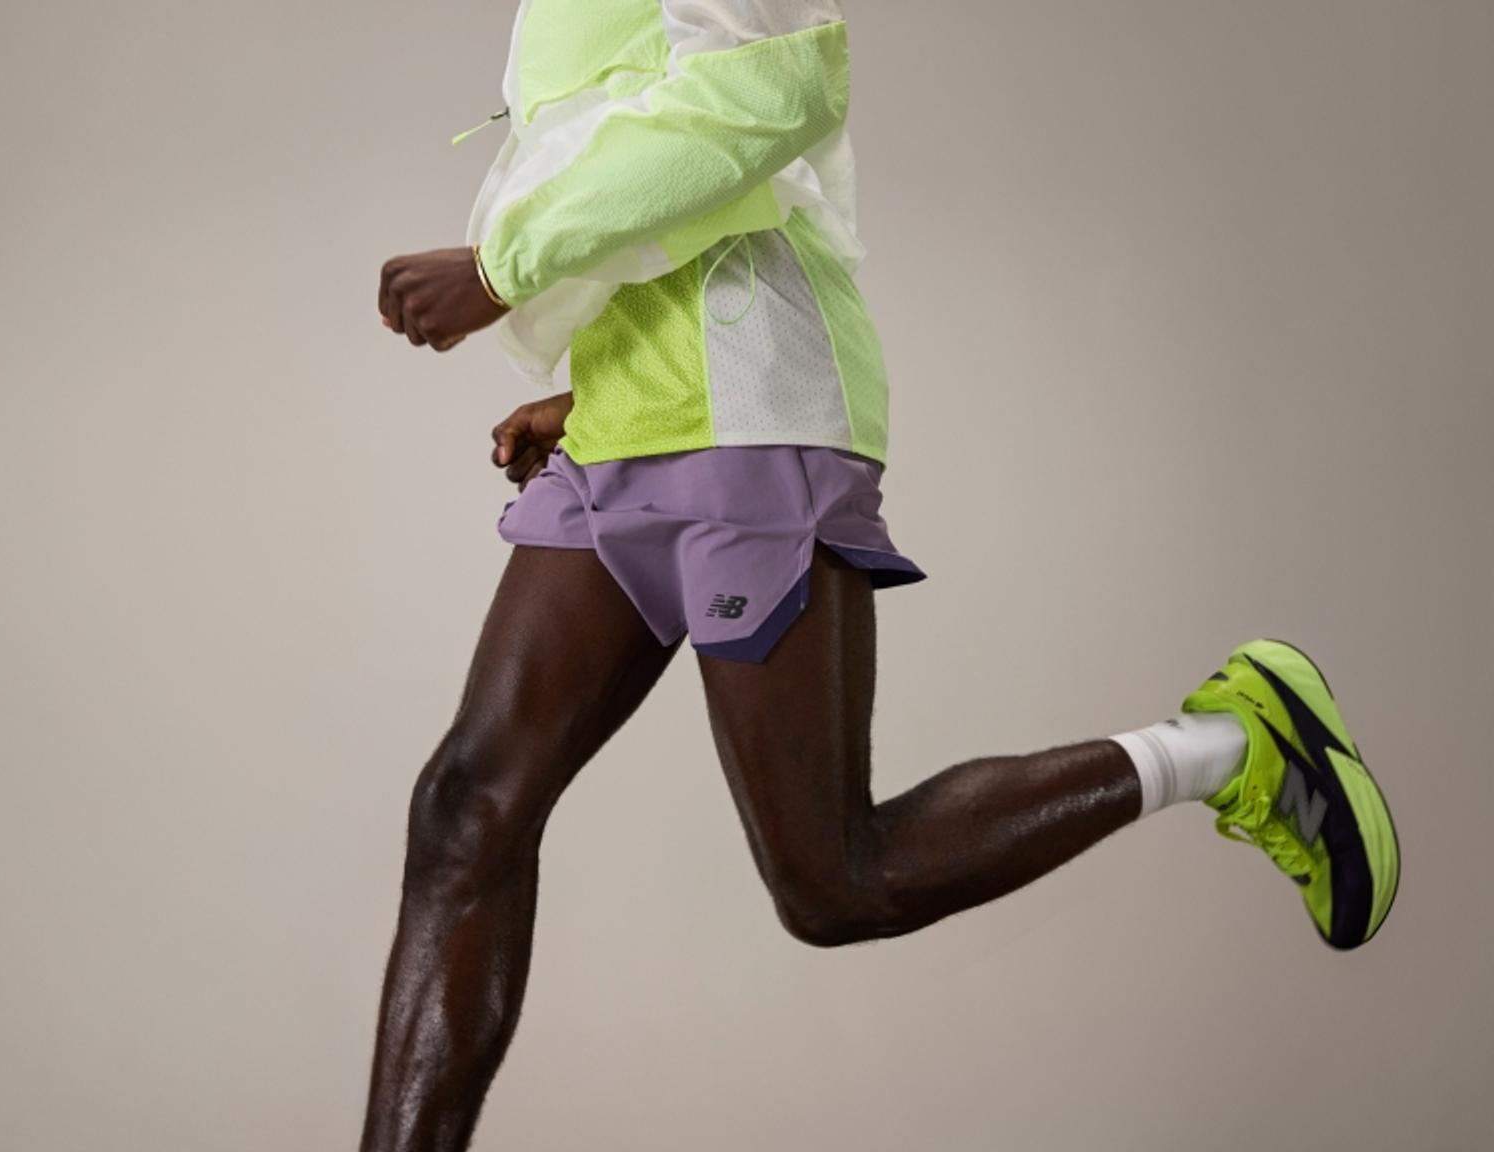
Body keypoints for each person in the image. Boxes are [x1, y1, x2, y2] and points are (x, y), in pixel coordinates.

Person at [363, 4, 1398, 1149]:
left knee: (833, 881)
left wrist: (503, 269)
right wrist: (591, 390)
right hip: (636, 417)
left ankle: (1230, 746)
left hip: (752, 406)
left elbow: (768, 104)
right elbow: (677, 169)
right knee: (465, 809)